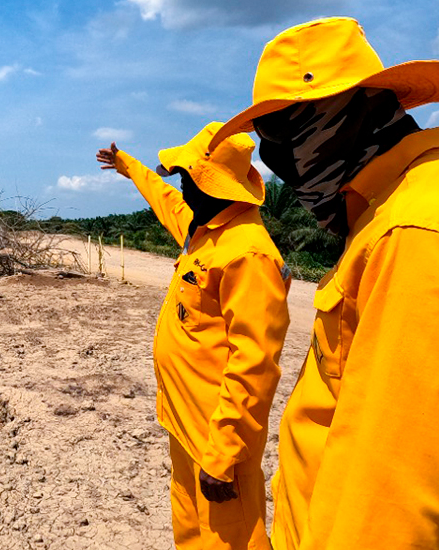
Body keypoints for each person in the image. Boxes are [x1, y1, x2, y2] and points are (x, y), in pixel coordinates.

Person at [203, 17, 439, 549]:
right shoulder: (438, 202)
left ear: (335, 121)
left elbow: (390, 503)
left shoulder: (413, 238)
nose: (283, 172)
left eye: (281, 144)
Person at [97, 125, 290, 550]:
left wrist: (223, 455)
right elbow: (163, 199)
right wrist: (128, 166)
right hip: (183, 424)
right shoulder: (203, 230)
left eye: (189, 180)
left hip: (217, 439)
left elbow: (255, 363)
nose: (182, 190)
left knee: (232, 539)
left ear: (212, 184)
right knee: (190, 532)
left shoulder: (248, 254)